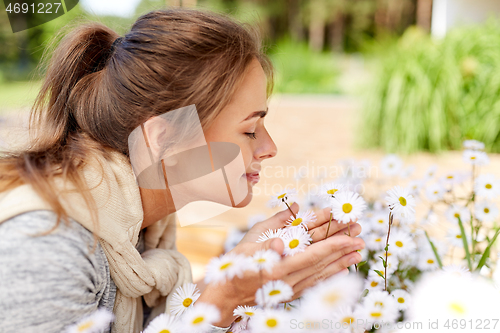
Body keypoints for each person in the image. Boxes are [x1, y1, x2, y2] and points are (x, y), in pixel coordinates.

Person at [0, 7, 364, 333]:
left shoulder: (141, 232)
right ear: (163, 140)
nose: (269, 149)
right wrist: (216, 304)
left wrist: (229, 280)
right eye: (250, 130)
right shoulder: (49, 248)